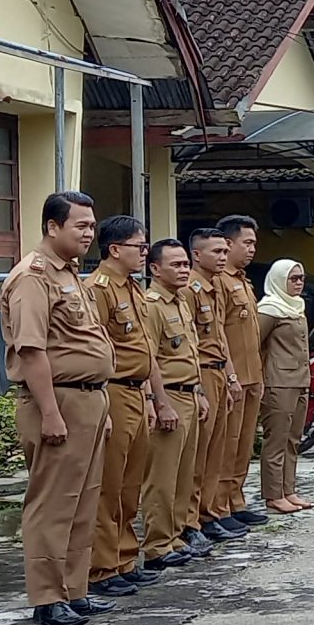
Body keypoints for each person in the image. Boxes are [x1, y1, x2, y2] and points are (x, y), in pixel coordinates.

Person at [2, 191, 116, 625]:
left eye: (92, 226)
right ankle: (48, 597)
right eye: (80, 226)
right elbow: (31, 350)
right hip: (58, 399)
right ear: (52, 227)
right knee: (53, 503)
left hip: (89, 398)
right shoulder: (33, 277)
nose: (89, 234)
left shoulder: (69, 274)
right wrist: (50, 413)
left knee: (83, 500)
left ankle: (75, 589)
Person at [84, 217, 161, 600]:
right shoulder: (97, 290)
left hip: (135, 391)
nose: (144, 253)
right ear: (115, 249)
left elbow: (143, 349)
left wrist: (149, 396)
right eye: (139, 247)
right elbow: (96, 347)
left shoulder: (133, 288)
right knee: (109, 486)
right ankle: (102, 566)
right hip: (112, 390)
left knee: (131, 486)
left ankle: (125, 559)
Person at [139, 239, 210, 568]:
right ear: (155, 269)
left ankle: (176, 536)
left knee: (184, 475)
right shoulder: (152, 305)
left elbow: (190, 353)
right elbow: (150, 359)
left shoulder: (180, 301)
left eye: (185, 264)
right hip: (169, 395)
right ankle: (157, 544)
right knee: (162, 478)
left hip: (189, 393)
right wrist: (159, 402)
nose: (184, 270)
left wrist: (200, 392)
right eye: (176, 265)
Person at [183, 227, 245, 548]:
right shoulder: (190, 289)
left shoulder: (215, 287)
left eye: (224, 251)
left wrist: (231, 378)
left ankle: (208, 514)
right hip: (202, 374)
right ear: (197, 255)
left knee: (215, 452)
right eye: (216, 252)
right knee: (199, 453)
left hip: (219, 372)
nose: (223, 257)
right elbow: (190, 344)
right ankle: (190, 520)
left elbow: (220, 338)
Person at [205, 215, 268, 532]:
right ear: (228, 244)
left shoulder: (243, 281)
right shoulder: (219, 282)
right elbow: (218, 334)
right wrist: (230, 375)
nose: (253, 249)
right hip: (232, 377)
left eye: (254, 243)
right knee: (226, 445)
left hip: (251, 374)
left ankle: (235, 500)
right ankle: (218, 505)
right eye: (248, 243)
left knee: (244, 444)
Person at [256, 258, 314, 512]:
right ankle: (273, 495)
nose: (299, 283)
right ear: (279, 280)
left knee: (293, 439)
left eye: (301, 278)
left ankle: (288, 489)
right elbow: (253, 344)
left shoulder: (296, 306)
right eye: (293, 278)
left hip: (300, 380)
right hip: (278, 382)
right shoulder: (269, 308)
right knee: (277, 439)